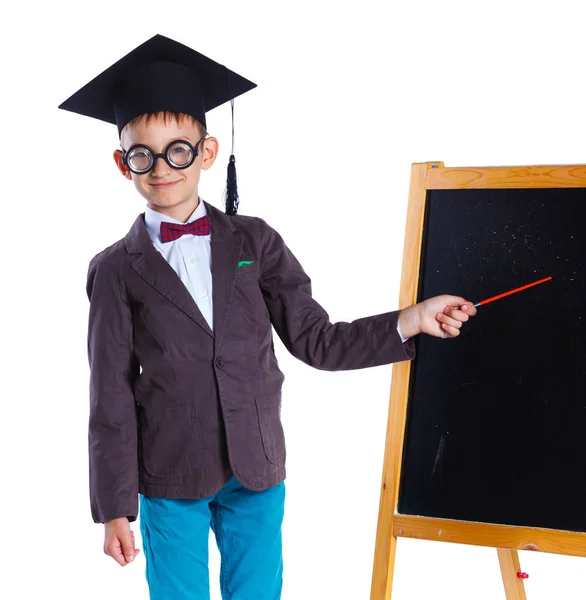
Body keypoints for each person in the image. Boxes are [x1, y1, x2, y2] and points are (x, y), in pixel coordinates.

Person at [58, 33, 477, 600]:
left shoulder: (255, 240)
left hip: (255, 466)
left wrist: (410, 319)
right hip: (168, 472)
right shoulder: (114, 269)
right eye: (142, 154)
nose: (162, 168)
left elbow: (317, 339)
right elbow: (108, 391)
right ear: (122, 163)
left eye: (178, 150)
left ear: (206, 153)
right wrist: (114, 507)